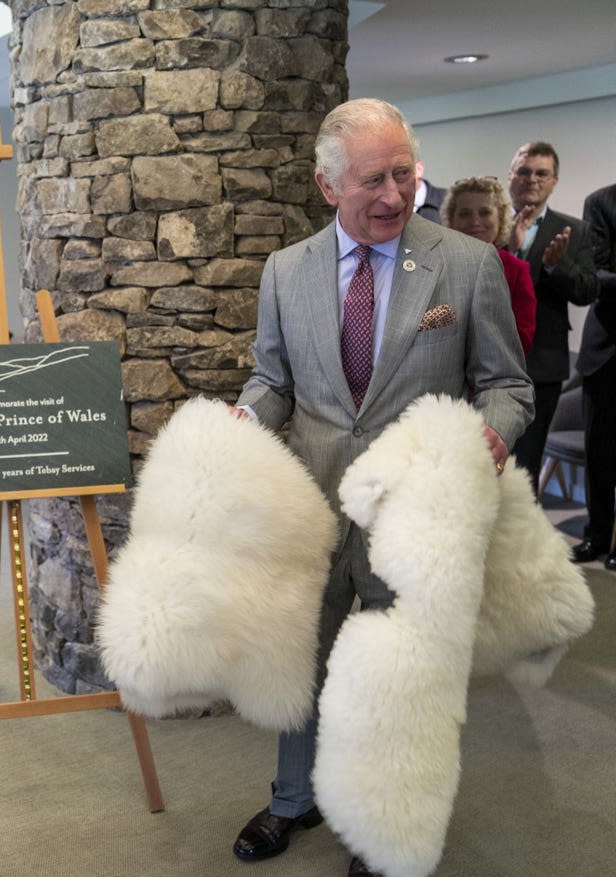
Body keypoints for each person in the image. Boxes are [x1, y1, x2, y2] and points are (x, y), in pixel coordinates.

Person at [231, 98, 533, 877]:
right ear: (330, 186)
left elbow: (509, 385)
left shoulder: (466, 264)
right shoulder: (285, 271)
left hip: (417, 511)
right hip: (315, 503)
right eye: (374, 179)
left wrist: (493, 432)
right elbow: (274, 376)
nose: (395, 195)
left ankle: (384, 821)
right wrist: (242, 416)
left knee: (403, 675)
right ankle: (292, 798)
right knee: (304, 655)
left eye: (406, 174)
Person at [507, 142, 598, 495]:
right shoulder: (486, 221)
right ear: (510, 176)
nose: (532, 179)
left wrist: (556, 266)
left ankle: (517, 546)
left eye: (541, 173)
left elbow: (588, 291)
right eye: (524, 171)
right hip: (480, 362)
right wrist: (509, 250)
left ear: (554, 181)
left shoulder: (574, 231)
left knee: (525, 467)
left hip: (541, 364)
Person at [571, 183, 616, 570]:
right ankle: (597, 535)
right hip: (607, 352)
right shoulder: (601, 202)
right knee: (599, 454)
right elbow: (594, 276)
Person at [441, 175, 536, 354]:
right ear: (451, 220)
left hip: (493, 375)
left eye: (485, 212)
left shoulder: (516, 271)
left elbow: (522, 340)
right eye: (465, 214)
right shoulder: (435, 267)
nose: (475, 222)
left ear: (500, 218)